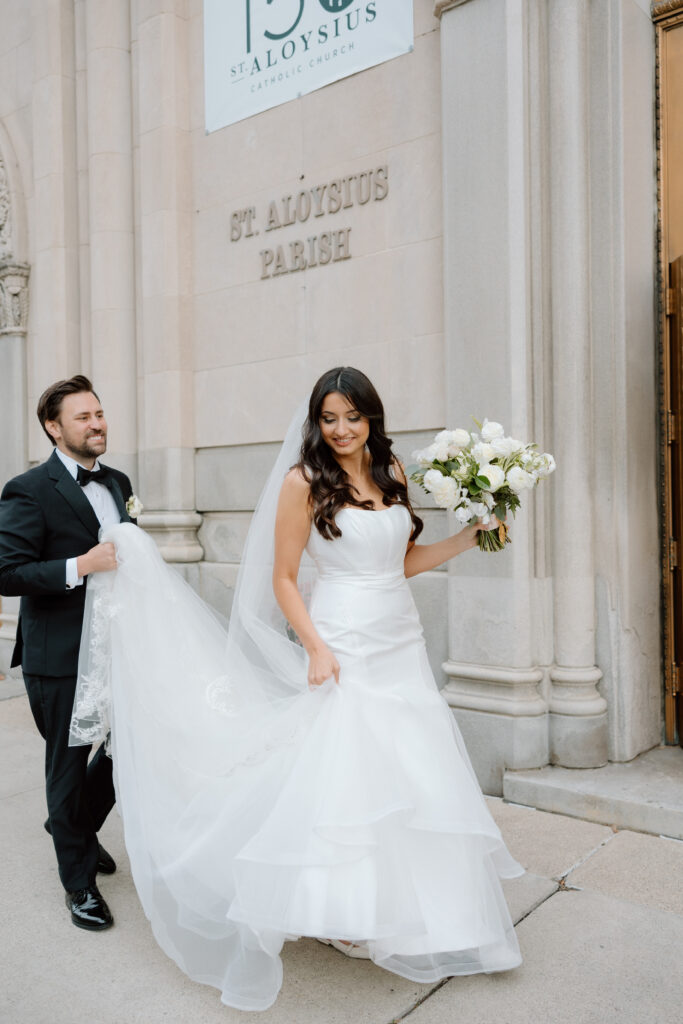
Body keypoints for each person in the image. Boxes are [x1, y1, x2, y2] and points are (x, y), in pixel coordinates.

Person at [68, 366, 523, 1010]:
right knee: (345, 769)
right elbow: (284, 577)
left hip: (399, 640)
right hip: (341, 639)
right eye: (329, 417)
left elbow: (402, 563)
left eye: (352, 417)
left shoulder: (390, 472)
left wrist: (466, 538)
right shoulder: (303, 481)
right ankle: (339, 910)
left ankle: (420, 905)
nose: (340, 430)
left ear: (372, 418)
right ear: (317, 420)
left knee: (409, 764)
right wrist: (314, 645)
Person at [0, 375, 136, 931]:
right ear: (54, 428)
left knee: (129, 747)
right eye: (83, 417)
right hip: (59, 653)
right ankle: (78, 883)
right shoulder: (28, 489)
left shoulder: (120, 481)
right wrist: (80, 566)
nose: (96, 423)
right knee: (67, 759)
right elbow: (7, 573)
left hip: (120, 646)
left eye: (99, 413)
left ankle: (72, 826)